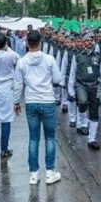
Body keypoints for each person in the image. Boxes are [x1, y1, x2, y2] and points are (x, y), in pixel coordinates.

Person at [13, 31, 63, 185]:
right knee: (49, 137)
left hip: (31, 102)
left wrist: (16, 102)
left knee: (33, 138)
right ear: (40, 42)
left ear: (27, 43)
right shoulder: (49, 59)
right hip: (47, 101)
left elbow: (18, 85)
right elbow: (57, 79)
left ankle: (34, 174)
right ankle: (50, 172)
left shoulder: (21, 62)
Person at [67, 35, 101, 149]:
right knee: (83, 102)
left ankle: (92, 139)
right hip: (81, 85)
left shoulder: (99, 57)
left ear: (94, 42)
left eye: (91, 40)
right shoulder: (78, 56)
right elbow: (72, 73)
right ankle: (82, 123)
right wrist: (70, 89)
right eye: (87, 40)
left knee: (95, 111)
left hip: (95, 86)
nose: (89, 42)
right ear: (83, 42)